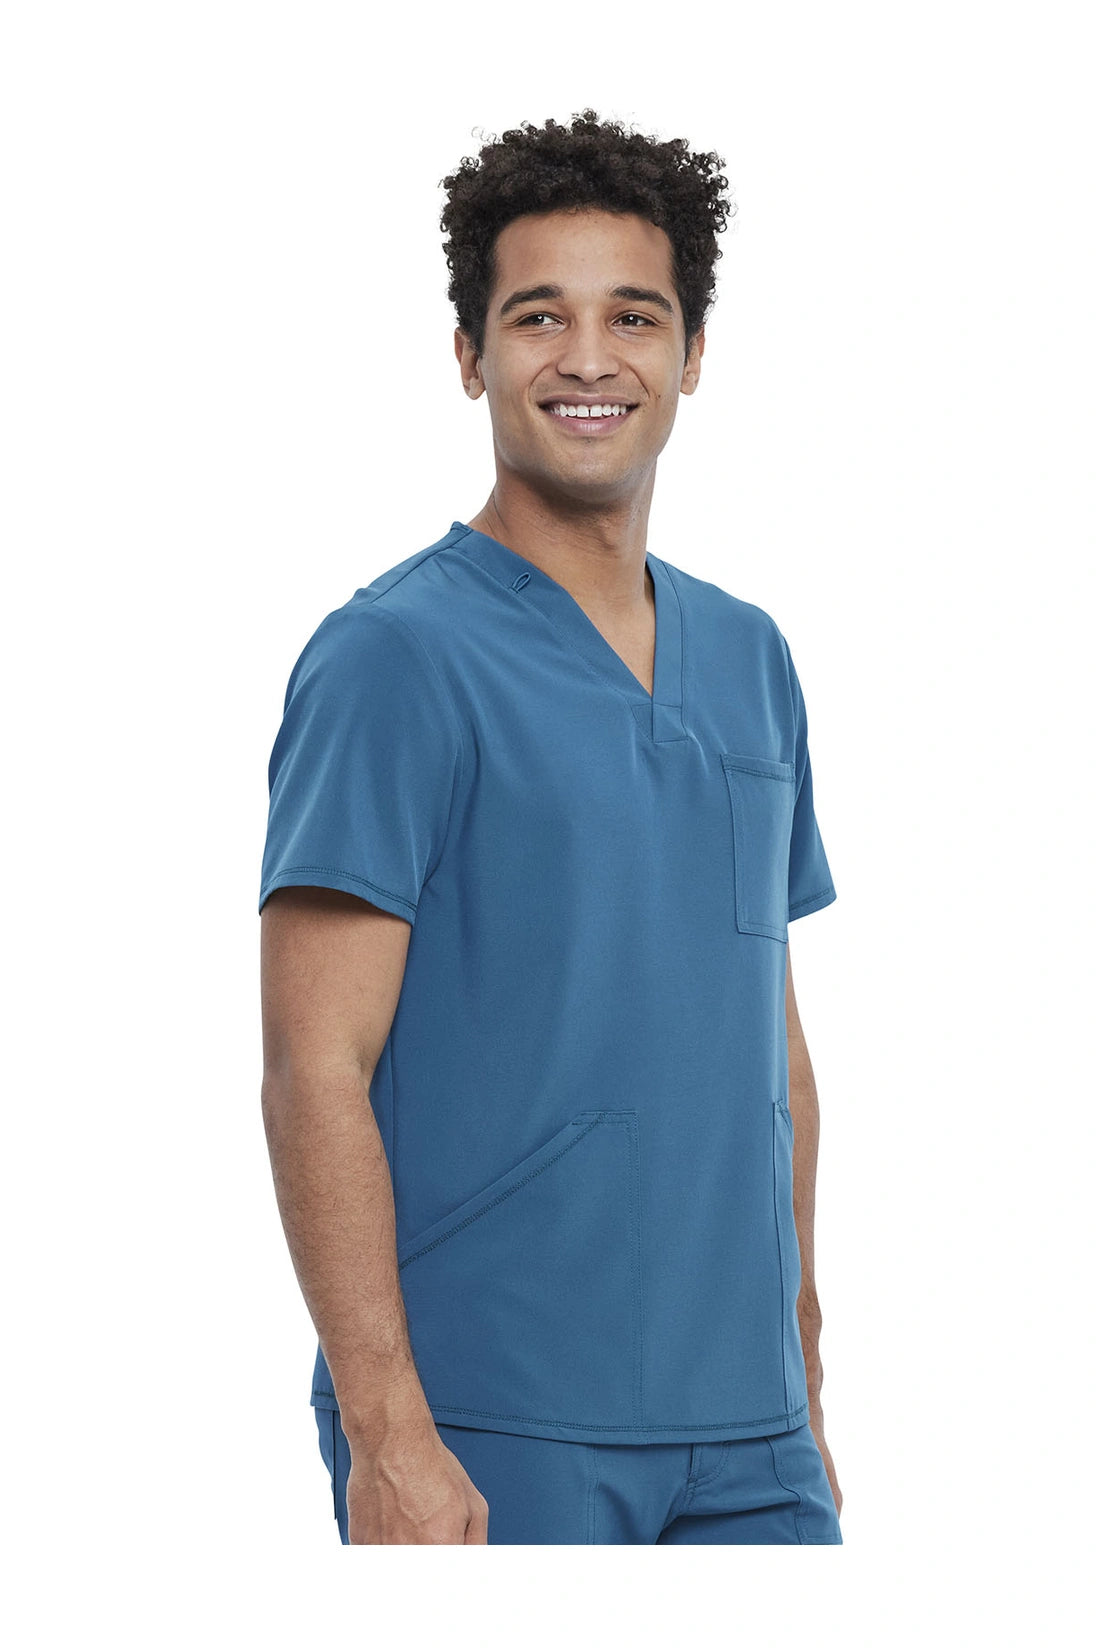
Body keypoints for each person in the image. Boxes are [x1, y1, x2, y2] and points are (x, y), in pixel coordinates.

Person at [258, 109, 844, 1545]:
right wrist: (388, 1430)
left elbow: (768, 1045)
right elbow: (313, 1066)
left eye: (633, 316)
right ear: (471, 354)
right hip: (493, 1420)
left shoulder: (752, 656)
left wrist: (806, 1366)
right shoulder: (393, 657)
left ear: (691, 355)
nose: (589, 359)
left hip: (753, 1434)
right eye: (539, 317)